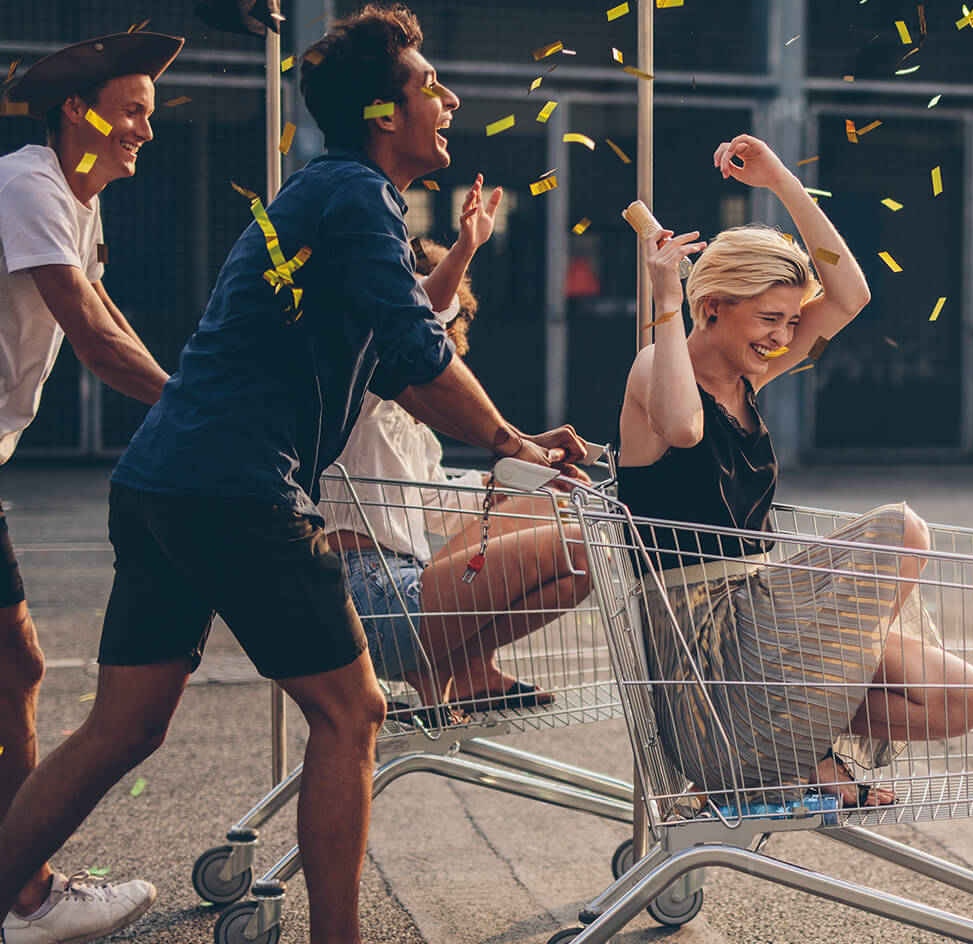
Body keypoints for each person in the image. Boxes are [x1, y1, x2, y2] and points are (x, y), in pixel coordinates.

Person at [0, 7, 587, 944]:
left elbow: (397, 367)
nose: (448, 99)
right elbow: (420, 352)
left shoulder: (328, 194)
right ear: (382, 113)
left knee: (125, 727)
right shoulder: (355, 195)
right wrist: (512, 441)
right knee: (352, 711)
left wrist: (510, 439)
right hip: (236, 487)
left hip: (162, 480)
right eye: (429, 84)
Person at [618, 133, 973, 810]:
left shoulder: (748, 374)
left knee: (961, 697)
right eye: (769, 318)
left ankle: (800, 745)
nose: (783, 337)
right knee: (901, 532)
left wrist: (782, 183)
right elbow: (684, 428)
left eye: (791, 321)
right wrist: (666, 296)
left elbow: (850, 296)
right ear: (712, 306)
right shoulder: (654, 367)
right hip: (705, 654)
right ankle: (808, 757)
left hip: (761, 633)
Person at [0, 30, 184, 944]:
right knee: (15, 669)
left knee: (14, 669)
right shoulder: (30, 183)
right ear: (77, 110)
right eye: (132, 111)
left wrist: (183, 397)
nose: (146, 128)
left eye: (149, 113)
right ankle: (27, 895)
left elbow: (107, 313)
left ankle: (25, 892)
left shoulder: (77, 197)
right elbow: (88, 331)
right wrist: (196, 409)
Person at [322, 230, 590, 722]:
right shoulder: (360, 385)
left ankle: (465, 668)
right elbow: (411, 317)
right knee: (577, 548)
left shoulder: (413, 422)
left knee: (554, 508)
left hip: (403, 578)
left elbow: (436, 504)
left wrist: (518, 479)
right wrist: (466, 248)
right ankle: (453, 666)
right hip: (365, 593)